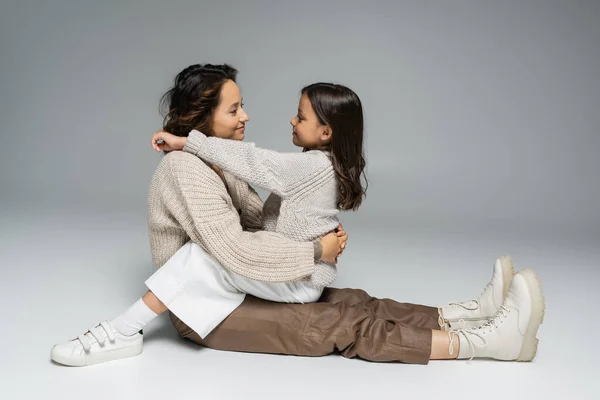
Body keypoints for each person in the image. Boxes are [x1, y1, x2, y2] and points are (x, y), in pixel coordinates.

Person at [50, 64, 545, 367]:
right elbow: (236, 247)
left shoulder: (218, 163)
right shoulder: (186, 169)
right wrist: (313, 249)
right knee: (339, 326)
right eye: (234, 110)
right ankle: (484, 343)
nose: (247, 117)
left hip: (236, 285)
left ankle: (464, 315)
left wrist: (315, 238)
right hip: (207, 311)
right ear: (204, 120)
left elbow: (253, 217)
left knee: (352, 300)